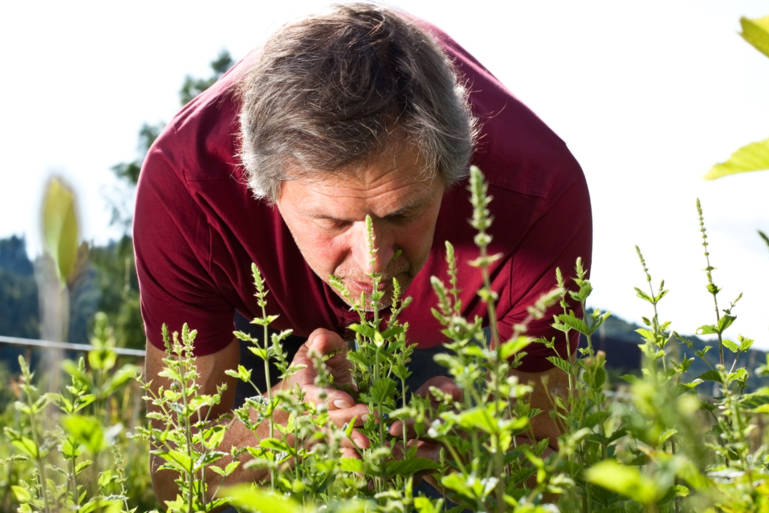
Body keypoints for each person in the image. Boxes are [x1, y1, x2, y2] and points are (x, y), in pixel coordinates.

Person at [135, 2, 592, 501]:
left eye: (402, 213)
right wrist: (276, 425)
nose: (374, 262)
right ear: (265, 189)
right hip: (264, 313)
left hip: (449, 331)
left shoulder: (540, 191)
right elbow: (174, 476)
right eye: (333, 221)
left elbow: (551, 469)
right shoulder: (187, 187)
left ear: (451, 174)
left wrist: (483, 450)